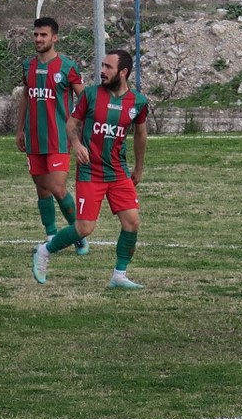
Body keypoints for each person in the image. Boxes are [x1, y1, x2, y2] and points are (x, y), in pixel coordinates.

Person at [32, 50, 149, 289]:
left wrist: (138, 168)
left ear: (123, 72)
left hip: (117, 172)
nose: (102, 71)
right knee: (85, 228)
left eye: (108, 67)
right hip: (90, 171)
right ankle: (45, 251)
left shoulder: (138, 102)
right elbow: (71, 124)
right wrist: (76, 144)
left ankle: (119, 275)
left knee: (132, 222)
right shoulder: (91, 95)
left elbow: (140, 134)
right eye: (102, 65)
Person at [15, 17, 86, 252]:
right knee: (42, 189)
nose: (38, 39)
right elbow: (26, 96)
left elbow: (85, 101)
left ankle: (78, 233)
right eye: (36, 34)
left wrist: (78, 132)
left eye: (43, 35)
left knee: (57, 187)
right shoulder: (28, 66)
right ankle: (51, 235)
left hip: (59, 138)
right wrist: (19, 129)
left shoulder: (66, 67)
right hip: (34, 137)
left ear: (54, 37)